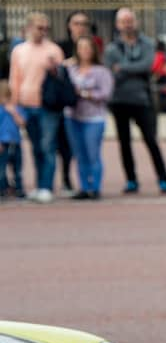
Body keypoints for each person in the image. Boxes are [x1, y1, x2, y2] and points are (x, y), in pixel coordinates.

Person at [104, 7, 166, 194]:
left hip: (142, 99)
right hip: (119, 100)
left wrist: (123, 68)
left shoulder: (147, 44)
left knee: (151, 140)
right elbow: (110, 73)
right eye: (123, 21)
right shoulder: (112, 48)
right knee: (124, 143)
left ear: (135, 22)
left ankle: (163, 179)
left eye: (130, 20)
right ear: (118, 25)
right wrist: (132, 69)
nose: (127, 24)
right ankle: (131, 179)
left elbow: (147, 66)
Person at [8, 12, 64, 203]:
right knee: (35, 148)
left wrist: (55, 69)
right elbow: (14, 79)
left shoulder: (54, 50)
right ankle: (39, 185)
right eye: (40, 28)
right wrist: (14, 106)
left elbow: (61, 80)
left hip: (48, 106)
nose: (43, 32)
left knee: (48, 146)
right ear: (30, 28)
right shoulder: (19, 50)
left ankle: (47, 187)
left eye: (46, 28)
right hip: (26, 104)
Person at [64, 36, 113, 200]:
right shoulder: (71, 69)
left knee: (93, 153)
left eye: (88, 47)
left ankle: (95, 187)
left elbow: (106, 93)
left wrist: (85, 94)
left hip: (94, 118)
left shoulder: (101, 71)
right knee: (79, 154)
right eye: (81, 47)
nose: (84, 50)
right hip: (73, 116)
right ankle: (84, 186)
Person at [0, 79, 25, 199]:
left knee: (17, 168)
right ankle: (3, 188)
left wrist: (14, 112)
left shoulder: (15, 108)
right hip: (3, 142)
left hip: (15, 142)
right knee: (2, 168)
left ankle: (19, 188)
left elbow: (22, 122)